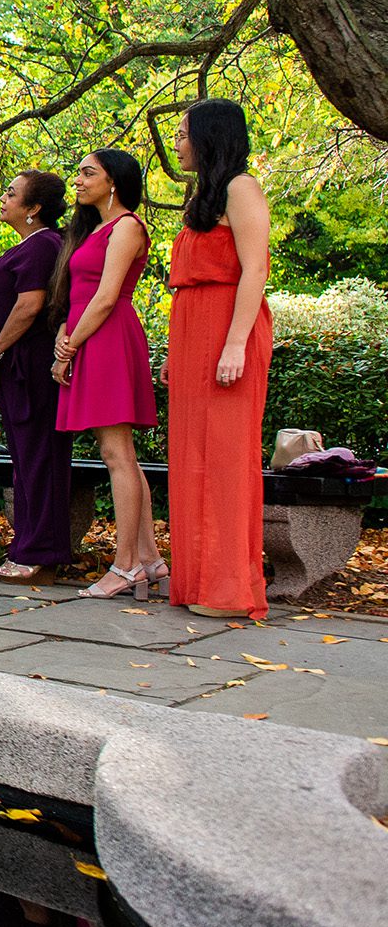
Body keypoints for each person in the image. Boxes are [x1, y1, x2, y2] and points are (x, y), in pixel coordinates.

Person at [169, 99, 273, 619]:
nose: (178, 142)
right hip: (195, 335)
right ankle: (200, 580)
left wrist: (234, 343)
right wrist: (176, 350)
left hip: (228, 331)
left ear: (210, 136)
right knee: (193, 458)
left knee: (226, 460)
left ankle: (229, 588)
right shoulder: (204, 196)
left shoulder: (242, 187)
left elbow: (255, 270)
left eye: (185, 133)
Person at [51, 149, 163, 600]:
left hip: (108, 338)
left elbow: (106, 296)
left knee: (118, 453)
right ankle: (151, 560)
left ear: (114, 181)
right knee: (118, 452)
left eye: (87, 173)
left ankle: (126, 565)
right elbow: (77, 294)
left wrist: (70, 346)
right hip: (86, 335)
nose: (76, 181)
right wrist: (64, 331)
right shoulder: (92, 228)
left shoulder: (128, 226)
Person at [0, 172, 73, 583]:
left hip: (31, 364)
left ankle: (42, 554)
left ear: (33, 208)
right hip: (15, 367)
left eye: (11, 194)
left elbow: (30, 305)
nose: (3, 198)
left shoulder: (44, 245)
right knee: (25, 457)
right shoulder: (25, 245)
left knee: (40, 457)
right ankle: (27, 546)